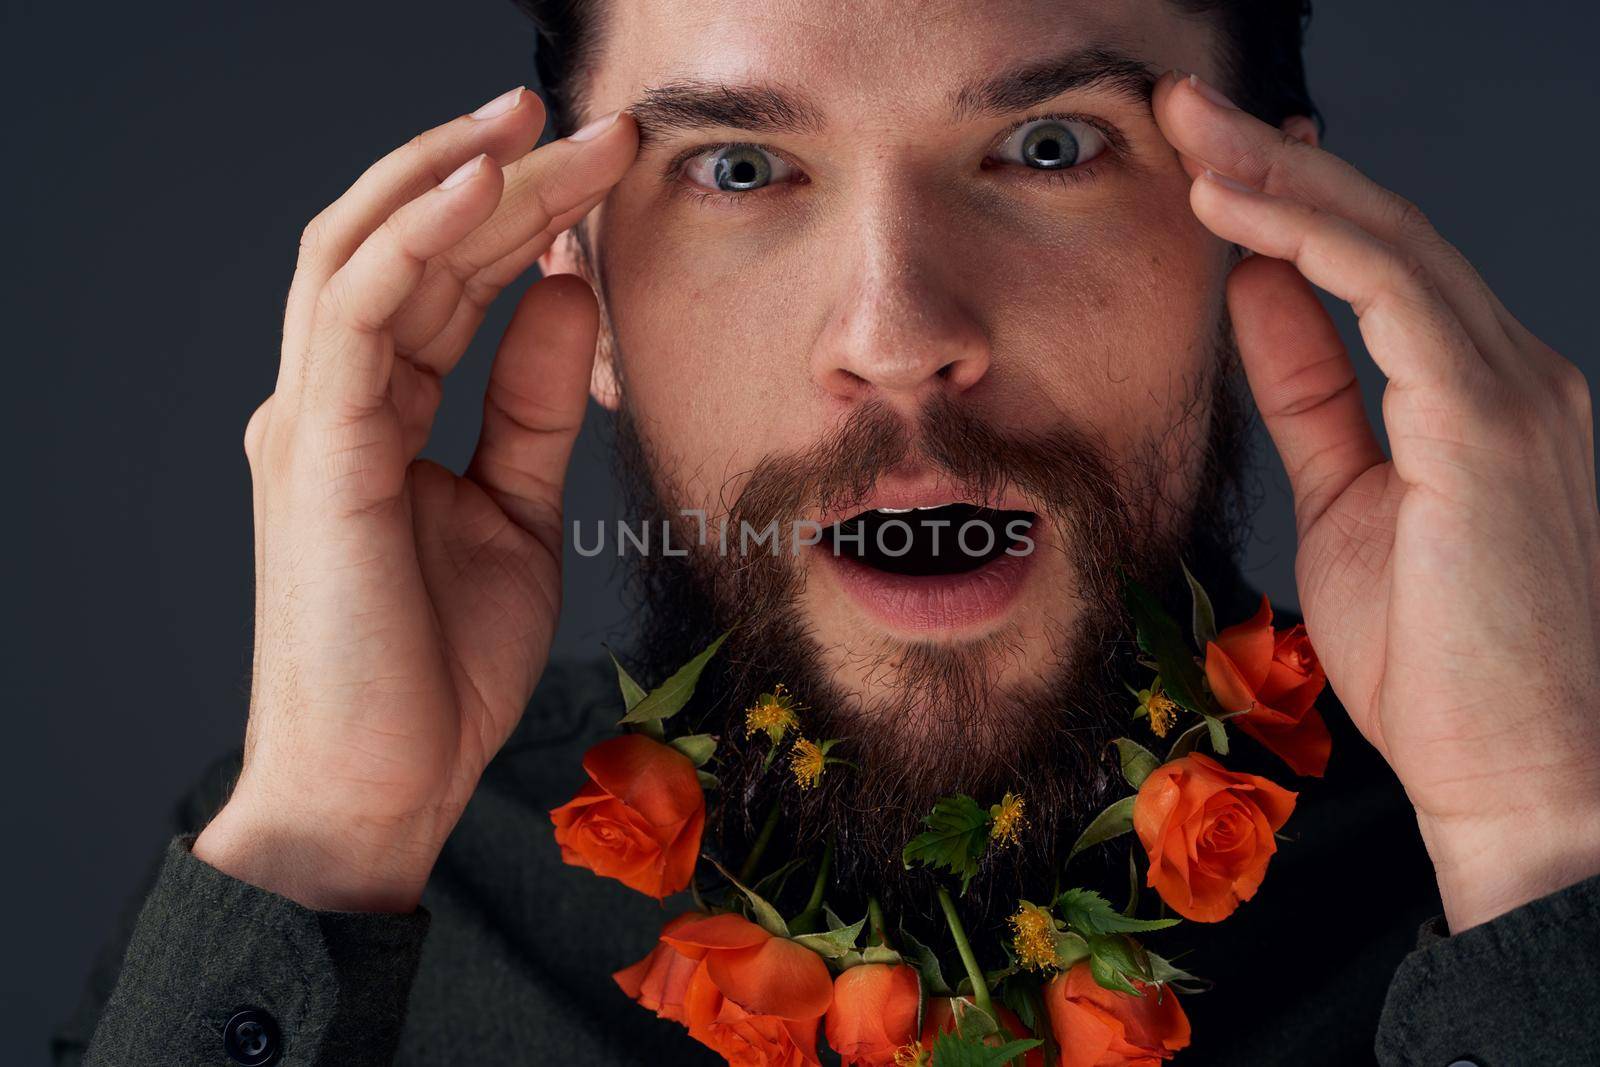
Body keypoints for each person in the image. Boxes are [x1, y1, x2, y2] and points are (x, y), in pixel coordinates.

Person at [54, 1, 1600, 1064]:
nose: (896, 334)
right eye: (737, 169)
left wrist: (1537, 834)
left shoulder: (1538, 858)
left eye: (1051, 147)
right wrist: (324, 836)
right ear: (578, 282)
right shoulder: (309, 866)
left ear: (1275, 226)